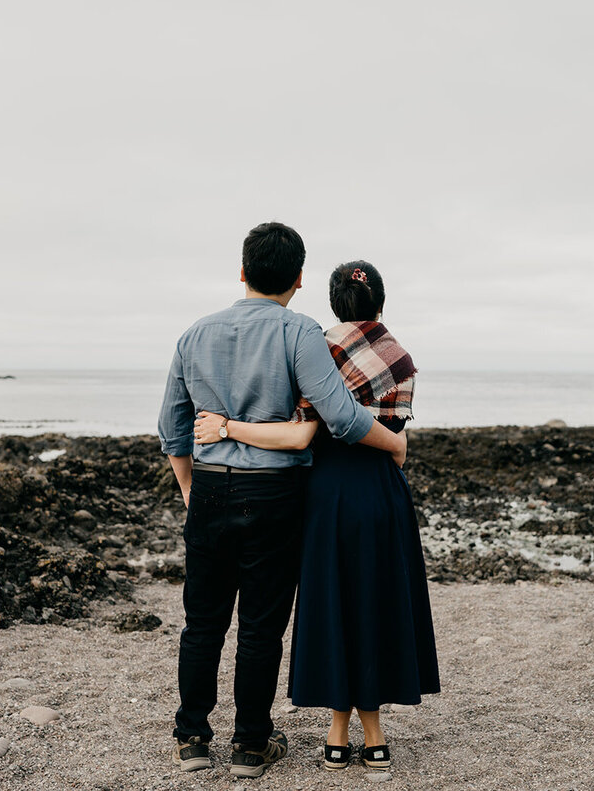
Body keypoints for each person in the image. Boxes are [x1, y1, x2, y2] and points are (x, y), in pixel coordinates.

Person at [157, 224, 408, 779]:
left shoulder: (194, 333)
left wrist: (190, 490)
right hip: (274, 493)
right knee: (261, 626)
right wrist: (395, 443)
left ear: (242, 272)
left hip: (210, 486)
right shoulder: (300, 332)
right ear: (298, 279)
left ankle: (192, 737)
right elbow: (341, 416)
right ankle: (250, 745)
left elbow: (171, 428)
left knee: (201, 623)